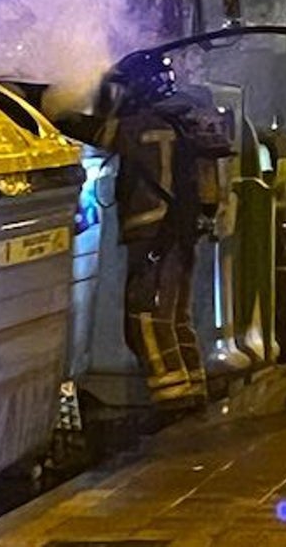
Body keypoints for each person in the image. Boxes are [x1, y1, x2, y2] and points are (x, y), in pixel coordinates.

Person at [94, 52, 231, 407]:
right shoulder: (185, 118)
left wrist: (48, 106)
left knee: (145, 316)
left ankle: (172, 399)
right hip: (184, 232)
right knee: (175, 315)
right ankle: (193, 387)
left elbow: (94, 131)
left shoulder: (139, 126)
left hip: (153, 231)